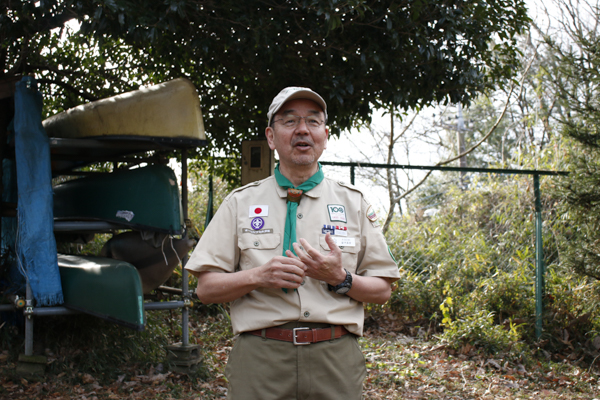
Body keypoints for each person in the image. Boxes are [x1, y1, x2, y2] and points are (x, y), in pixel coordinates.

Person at [185, 87, 400, 400]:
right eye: (290, 121)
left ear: (325, 135)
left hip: (335, 358)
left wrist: (339, 279)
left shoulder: (353, 203)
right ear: (271, 138)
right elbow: (205, 290)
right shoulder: (239, 203)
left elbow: (382, 290)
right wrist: (258, 276)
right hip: (260, 358)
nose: (303, 129)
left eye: (313, 122)